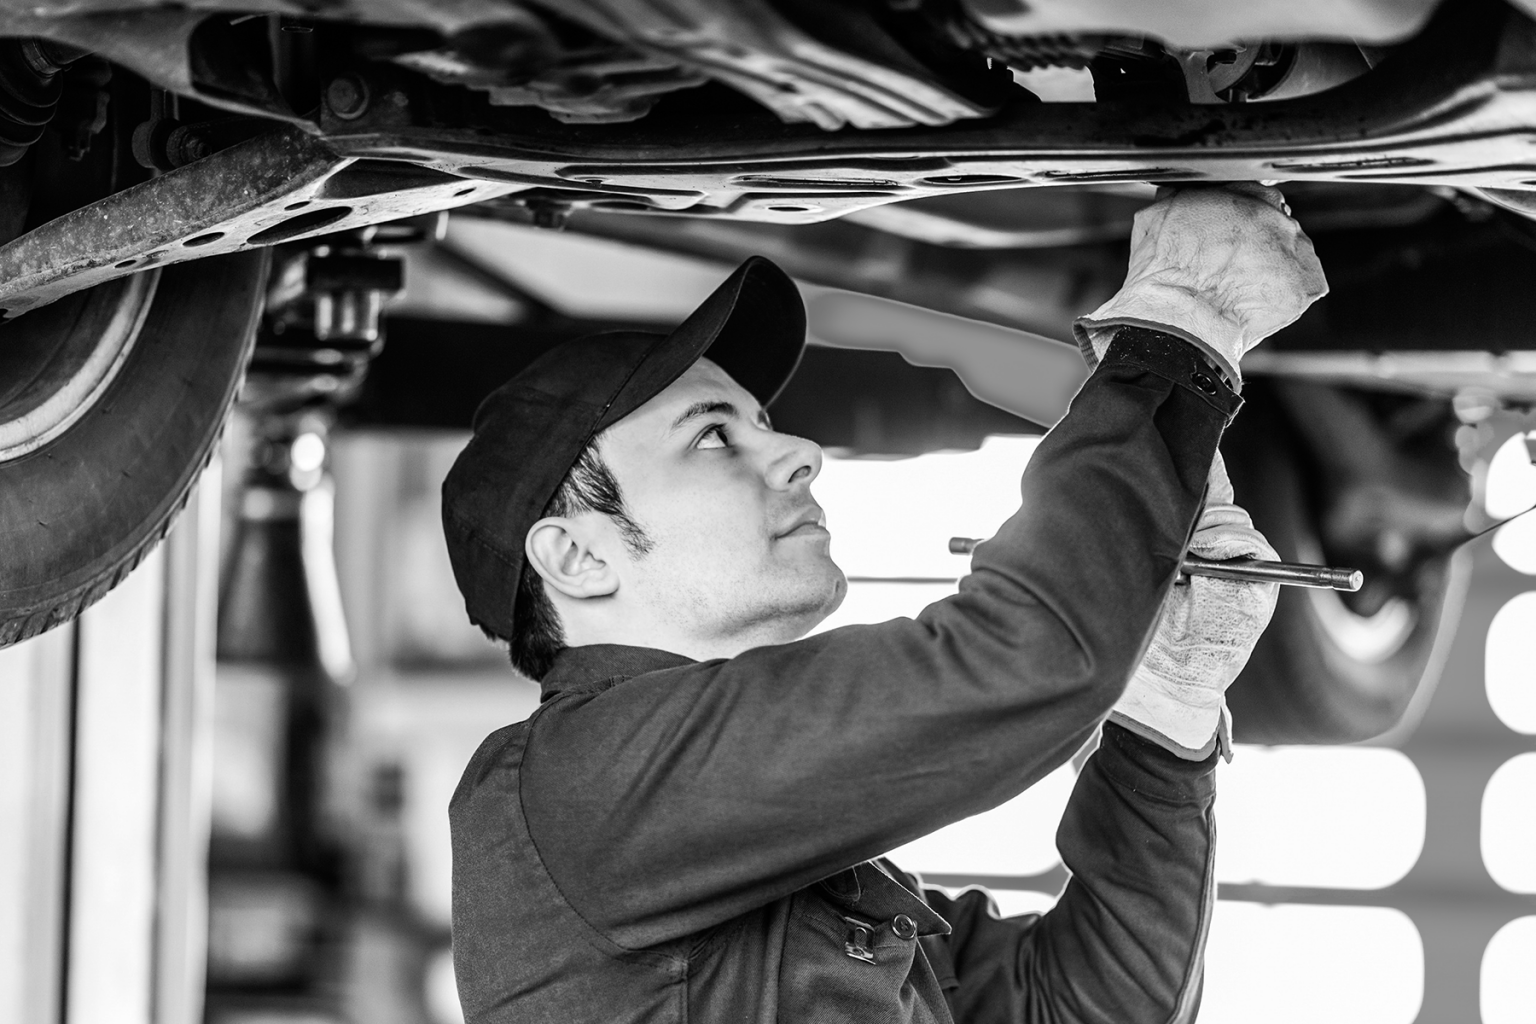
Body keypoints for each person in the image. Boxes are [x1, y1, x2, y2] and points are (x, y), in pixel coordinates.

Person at [440, 183, 1327, 1024]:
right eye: (713, 436)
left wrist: (1166, 705)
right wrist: (1179, 330)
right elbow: (1018, 663)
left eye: (762, 423)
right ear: (578, 557)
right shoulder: (575, 786)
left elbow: (1085, 1005)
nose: (801, 452)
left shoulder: (747, 851)